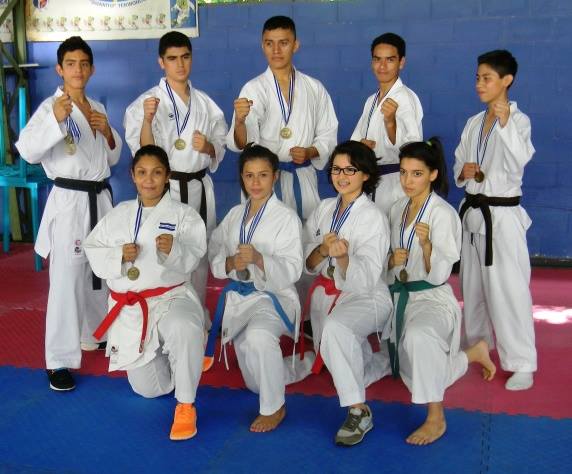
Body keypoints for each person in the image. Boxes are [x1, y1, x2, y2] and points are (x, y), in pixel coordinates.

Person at [15, 36, 122, 391]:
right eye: (71, 64)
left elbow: (112, 158)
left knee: (100, 271)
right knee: (67, 280)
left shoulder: (97, 108)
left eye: (84, 64)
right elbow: (27, 150)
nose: (78, 70)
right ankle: (58, 360)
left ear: (92, 69)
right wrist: (55, 122)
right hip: (70, 202)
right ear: (60, 69)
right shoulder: (51, 107)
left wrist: (108, 133)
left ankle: (95, 334)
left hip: (99, 199)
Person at [84, 145, 207, 441]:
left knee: (183, 328)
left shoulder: (184, 215)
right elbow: (92, 247)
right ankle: (185, 359)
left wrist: (174, 250)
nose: (149, 180)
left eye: (156, 173)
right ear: (132, 175)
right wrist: (118, 255)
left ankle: (186, 404)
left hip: (171, 298)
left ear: (167, 176)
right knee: (148, 389)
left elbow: (195, 256)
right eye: (142, 173)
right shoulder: (119, 213)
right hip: (131, 309)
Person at [388, 138, 496, 445]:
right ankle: (472, 354)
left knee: (419, 338)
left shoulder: (443, 214)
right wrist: (391, 260)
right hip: (399, 295)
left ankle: (436, 417)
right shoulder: (397, 208)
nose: (408, 181)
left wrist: (426, 247)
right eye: (404, 172)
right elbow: (388, 261)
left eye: (417, 173)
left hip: (432, 298)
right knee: (411, 374)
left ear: (433, 174)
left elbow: (439, 274)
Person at [124, 30, 227, 313]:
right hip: (165, 190)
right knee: (163, 251)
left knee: (198, 253)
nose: (180, 64)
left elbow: (220, 145)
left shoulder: (206, 104)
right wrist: (147, 120)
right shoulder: (146, 102)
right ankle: (164, 315)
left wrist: (208, 147)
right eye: (172, 58)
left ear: (191, 58)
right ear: (161, 62)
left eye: (185, 57)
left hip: (198, 188)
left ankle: (198, 317)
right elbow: (144, 154)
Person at [207, 144, 306, 433]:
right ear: (242, 177)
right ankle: (299, 366)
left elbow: (293, 269)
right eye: (249, 175)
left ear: (275, 176)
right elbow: (214, 252)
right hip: (240, 297)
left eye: (263, 175)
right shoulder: (234, 215)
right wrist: (229, 262)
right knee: (254, 382)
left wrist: (260, 259)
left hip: (274, 296)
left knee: (260, 336)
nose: (255, 182)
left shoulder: (286, 217)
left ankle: (274, 407)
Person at [454, 50, 536, 391]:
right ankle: (478, 347)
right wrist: (464, 171)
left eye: (486, 78)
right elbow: (459, 163)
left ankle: (522, 363)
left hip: (502, 218)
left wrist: (504, 125)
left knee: (509, 291)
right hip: (474, 215)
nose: (479, 84)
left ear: (507, 80)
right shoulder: (474, 122)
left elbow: (520, 161)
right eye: (477, 77)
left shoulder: (519, 121)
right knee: (472, 289)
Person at [303, 140, 393, 447]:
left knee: (336, 331)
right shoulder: (324, 208)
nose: (341, 176)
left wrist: (342, 258)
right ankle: (385, 361)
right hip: (328, 293)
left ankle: (359, 411)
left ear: (365, 174)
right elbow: (308, 262)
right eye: (336, 169)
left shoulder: (373, 217)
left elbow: (366, 276)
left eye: (350, 170)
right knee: (340, 359)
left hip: (367, 295)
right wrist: (322, 250)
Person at [226, 15, 338, 220]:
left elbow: (328, 134)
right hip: (265, 180)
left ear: (295, 45)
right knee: (263, 233)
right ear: (263, 46)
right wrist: (239, 122)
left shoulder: (314, 88)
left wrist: (310, 152)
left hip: (302, 177)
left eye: (283, 43)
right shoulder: (253, 89)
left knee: (307, 232)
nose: (276, 50)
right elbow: (243, 144)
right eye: (270, 44)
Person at [351, 32, 422, 216]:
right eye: (377, 59)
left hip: (396, 184)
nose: (382, 66)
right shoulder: (371, 100)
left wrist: (390, 123)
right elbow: (355, 143)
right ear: (372, 62)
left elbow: (413, 148)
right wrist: (361, 148)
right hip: (371, 181)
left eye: (390, 60)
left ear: (401, 62)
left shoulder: (406, 98)